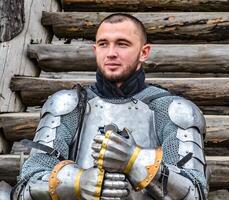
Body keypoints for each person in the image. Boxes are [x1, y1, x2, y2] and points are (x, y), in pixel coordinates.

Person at [12, 13, 208, 200]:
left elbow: (194, 192)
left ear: (144, 52)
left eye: (122, 44)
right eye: (103, 44)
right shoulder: (68, 105)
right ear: (95, 50)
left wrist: (135, 160)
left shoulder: (172, 109)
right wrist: (78, 182)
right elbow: (26, 187)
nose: (111, 53)